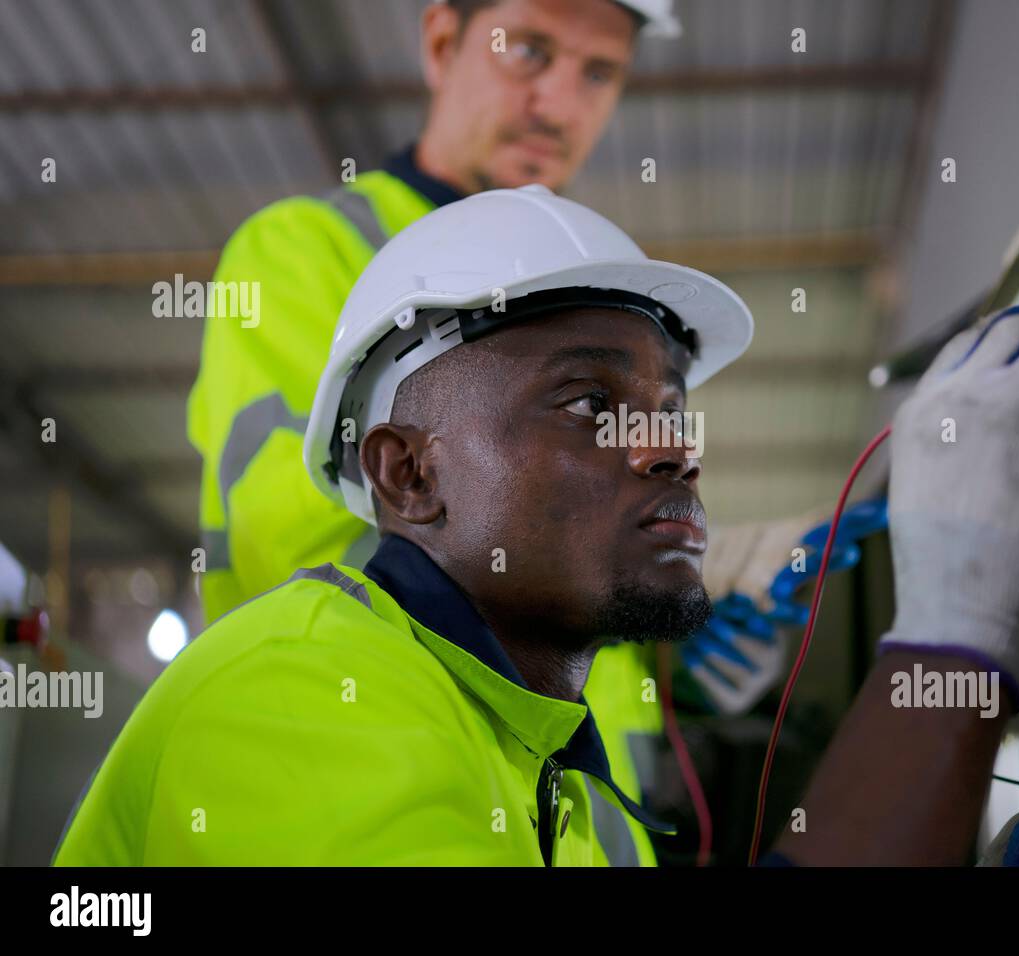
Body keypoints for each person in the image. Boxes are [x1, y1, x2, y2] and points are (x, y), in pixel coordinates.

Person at [54, 186, 1019, 866]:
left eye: (668, 408)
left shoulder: (568, 781)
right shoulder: (298, 701)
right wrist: (956, 637)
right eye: (588, 403)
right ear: (409, 473)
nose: (672, 447)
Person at [186, 0, 680, 865]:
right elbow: (306, 538)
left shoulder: (588, 304)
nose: (560, 104)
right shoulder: (309, 251)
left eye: (598, 72)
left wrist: (677, 626)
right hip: (366, 791)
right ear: (443, 42)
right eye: (530, 50)